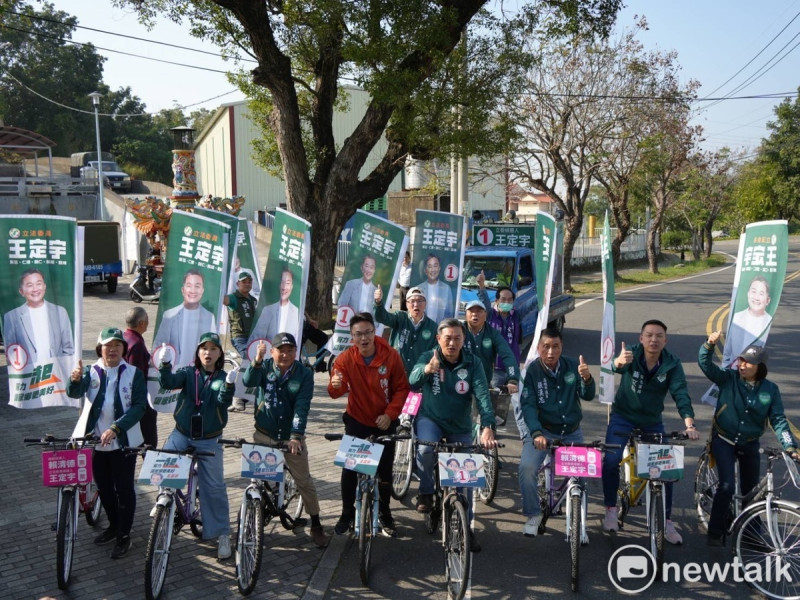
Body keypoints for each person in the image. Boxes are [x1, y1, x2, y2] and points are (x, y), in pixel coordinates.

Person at [601, 320, 700, 545]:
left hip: (652, 421)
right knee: (611, 460)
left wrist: (690, 424)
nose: (653, 340)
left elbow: (681, 394)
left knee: (666, 468)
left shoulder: (672, 363)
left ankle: (666, 520)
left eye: (658, 336)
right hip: (622, 417)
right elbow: (617, 367)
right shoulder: (631, 354)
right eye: (649, 335)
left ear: (665, 340)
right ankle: (609, 509)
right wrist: (618, 362)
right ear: (641, 338)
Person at [699, 333, 798, 546]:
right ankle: (715, 531)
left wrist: (790, 446)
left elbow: (779, 420)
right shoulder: (729, 378)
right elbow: (706, 366)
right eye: (741, 360)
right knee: (726, 486)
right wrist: (709, 345)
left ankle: (752, 534)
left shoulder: (771, 390)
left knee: (751, 489)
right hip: (723, 439)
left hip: (750, 442)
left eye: (748, 362)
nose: (742, 365)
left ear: (759, 367)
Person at [409, 318, 497, 553]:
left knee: (465, 476)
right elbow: (412, 379)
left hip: (460, 425)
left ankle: (467, 527)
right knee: (426, 450)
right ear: (439, 339)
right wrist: (428, 369)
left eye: (457, 338)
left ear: (463, 340)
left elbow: (483, 396)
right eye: (447, 338)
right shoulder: (429, 356)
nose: (452, 342)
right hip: (431, 419)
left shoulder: (472, 363)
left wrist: (488, 425)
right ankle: (426, 491)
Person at [242, 332, 331, 548]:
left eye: (291, 350)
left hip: (291, 438)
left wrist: (295, 435)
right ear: (272, 351)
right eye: (281, 350)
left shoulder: (303, 373)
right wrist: (256, 361)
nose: (286, 354)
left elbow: (302, 406)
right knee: (257, 480)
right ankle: (258, 509)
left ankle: (316, 523)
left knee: (304, 480)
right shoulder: (264, 367)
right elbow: (247, 382)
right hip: (264, 432)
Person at [327, 312, 410, 538]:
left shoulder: (391, 356)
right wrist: (334, 384)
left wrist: (390, 414)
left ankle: (384, 513)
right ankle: (346, 513)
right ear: (352, 337)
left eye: (368, 332)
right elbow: (335, 391)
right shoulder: (345, 359)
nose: (364, 338)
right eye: (358, 334)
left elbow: (402, 389)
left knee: (384, 471)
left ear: (375, 333)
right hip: (358, 420)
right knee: (350, 469)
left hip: (384, 422)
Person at [67, 327, 146, 559]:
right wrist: (74, 381)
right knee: (103, 488)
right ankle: (113, 525)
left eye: (117, 345)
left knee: (124, 489)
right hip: (96, 442)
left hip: (124, 442)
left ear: (124, 349)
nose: (112, 349)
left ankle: (124, 535)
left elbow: (140, 407)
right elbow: (74, 393)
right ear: (99, 348)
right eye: (107, 345)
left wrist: (116, 427)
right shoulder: (91, 371)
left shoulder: (134, 373)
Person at [157, 332, 236, 560]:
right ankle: (164, 501)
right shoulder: (187, 373)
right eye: (204, 348)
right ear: (197, 352)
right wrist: (165, 364)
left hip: (209, 439)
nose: (207, 353)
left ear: (219, 353)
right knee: (164, 462)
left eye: (213, 349)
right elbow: (168, 383)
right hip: (182, 433)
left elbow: (223, 400)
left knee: (214, 487)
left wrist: (229, 386)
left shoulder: (222, 377)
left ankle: (222, 534)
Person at [517, 327, 595, 536]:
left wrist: (587, 379)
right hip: (544, 432)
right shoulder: (532, 371)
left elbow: (588, 395)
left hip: (572, 431)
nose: (550, 352)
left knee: (580, 478)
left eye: (555, 346)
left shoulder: (572, 366)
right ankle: (534, 514)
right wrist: (536, 433)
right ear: (539, 348)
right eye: (546, 347)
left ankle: (580, 524)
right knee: (527, 468)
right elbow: (528, 405)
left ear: (562, 346)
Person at [3, 268, 73, 363]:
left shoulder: (60, 312)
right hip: (28, 374)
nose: (35, 289)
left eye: (38, 284)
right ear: (21, 291)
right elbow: (11, 352)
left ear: (44, 286)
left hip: (56, 373)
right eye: (29, 285)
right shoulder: (11, 317)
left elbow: (68, 348)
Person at [153, 269, 216, 367]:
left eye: (197, 286)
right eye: (189, 286)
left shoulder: (209, 317)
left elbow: (214, 348)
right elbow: (158, 346)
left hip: (198, 373)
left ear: (202, 290)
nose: (193, 290)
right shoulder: (169, 315)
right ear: (183, 290)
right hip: (174, 373)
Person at [373, 285, 438, 379]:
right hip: (395, 372)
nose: (416, 305)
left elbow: (436, 349)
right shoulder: (400, 317)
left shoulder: (433, 327)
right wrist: (378, 303)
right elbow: (382, 317)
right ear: (407, 304)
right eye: (412, 301)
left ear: (425, 304)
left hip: (418, 376)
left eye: (420, 301)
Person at [462, 299, 519, 395]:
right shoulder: (458, 330)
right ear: (466, 315)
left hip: (483, 384)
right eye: (471, 311)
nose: (475, 314)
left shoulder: (493, 334)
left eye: (479, 311)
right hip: (460, 382)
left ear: (485, 316)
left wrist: (512, 379)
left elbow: (507, 355)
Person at [476, 271, 522, 385]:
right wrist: (481, 286)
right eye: (503, 299)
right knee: (495, 399)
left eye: (510, 299)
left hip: (512, 367)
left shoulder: (516, 315)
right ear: (497, 301)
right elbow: (485, 302)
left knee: (514, 400)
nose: (507, 302)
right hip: (496, 369)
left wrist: (543, 292)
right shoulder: (491, 315)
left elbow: (532, 305)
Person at [123, 307, 158, 448]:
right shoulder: (136, 343)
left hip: (127, 395)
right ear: (142, 323)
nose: (148, 323)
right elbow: (137, 375)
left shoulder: (125, 337)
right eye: (147, 320)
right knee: (148, 438)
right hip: (139, 398)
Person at [723, 276, 773, 364]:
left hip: (755, 374)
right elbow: (727, 353)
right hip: (735, 373)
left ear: (768, 300)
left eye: (761, 294)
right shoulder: (737, 318)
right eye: (753, 292)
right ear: (748, 294)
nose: (756, 297)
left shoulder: (769, 322)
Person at [248, 267, 300, 345]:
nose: (284, 287)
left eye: (288, 283)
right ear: (279, 285)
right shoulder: (268, 310)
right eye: (282, 282)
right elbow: (255, 339)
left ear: (292, 286)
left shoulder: (297, 312)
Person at [223, 270, 258, 359]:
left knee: (257, 359)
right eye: (244, 282)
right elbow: (221, 299)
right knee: (248, 358)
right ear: (238, 283)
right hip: (239, 337)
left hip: (252, 336)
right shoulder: (233, 298)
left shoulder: (253, 300)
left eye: (249, 282)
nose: (247, 284)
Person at [413, 254, 454, 324]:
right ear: (425, 270)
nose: (433, 270)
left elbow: (449, 313)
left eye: (435, 266)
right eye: (429, 266)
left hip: (440, 329)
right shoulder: (418, 288)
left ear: (439, 268)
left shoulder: (446, 288)